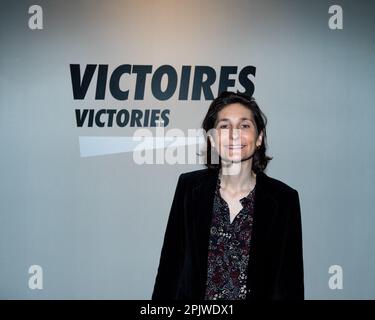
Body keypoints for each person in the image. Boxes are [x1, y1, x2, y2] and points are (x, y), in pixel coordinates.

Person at [152, 91, 304, 300]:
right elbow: (170, 270)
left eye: (244, 125)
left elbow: (288, 284)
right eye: (224, 126)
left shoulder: (284, 200)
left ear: (259, 137)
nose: (234, 134)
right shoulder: (188, 188)